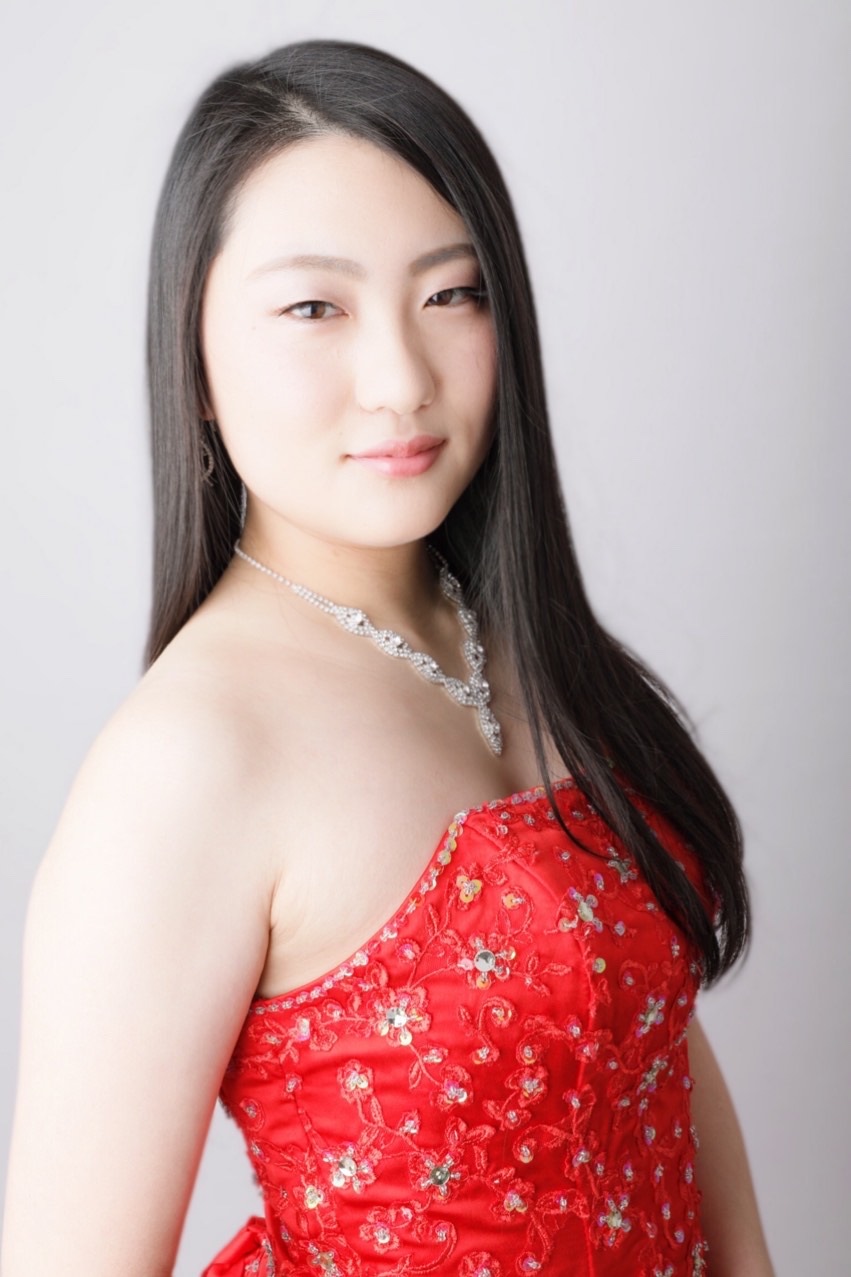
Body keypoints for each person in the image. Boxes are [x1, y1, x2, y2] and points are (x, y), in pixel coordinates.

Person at [1, 37, 775, 1277]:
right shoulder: (186, 762)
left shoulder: (530, 643)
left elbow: (646, 1045)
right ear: (194, 359)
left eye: (450, 293)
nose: (399, 379)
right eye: (315, 308)